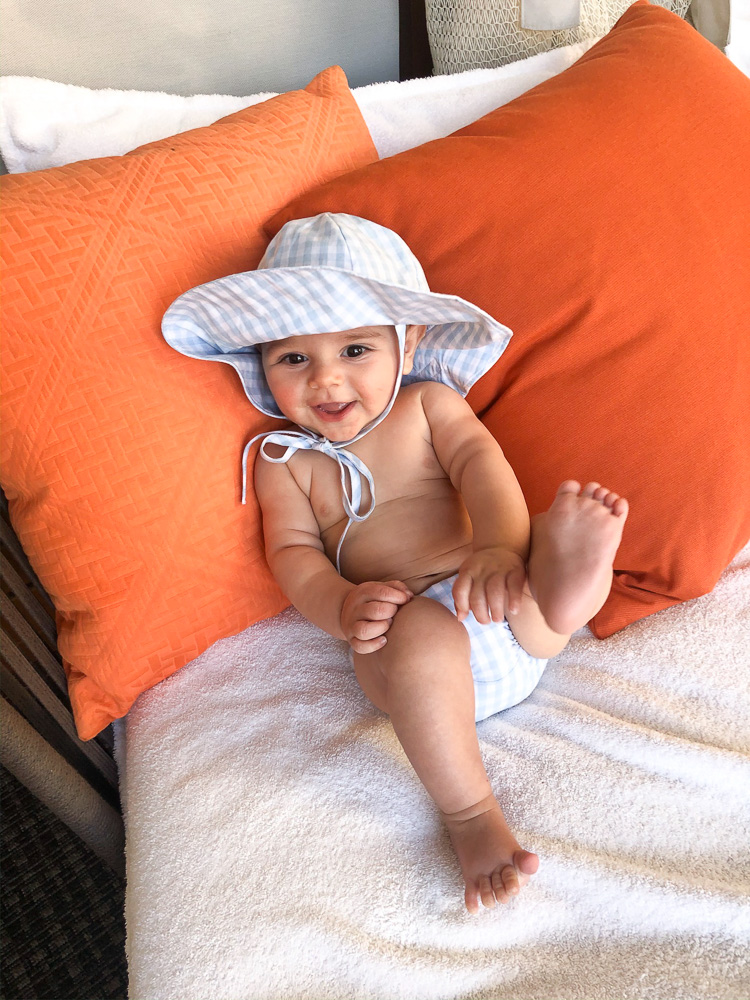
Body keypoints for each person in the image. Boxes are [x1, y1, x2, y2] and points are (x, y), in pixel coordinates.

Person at [162, 213, 628, 914]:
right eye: (294, 359)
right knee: (418, 634)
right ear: (261, 362)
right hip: (406, 648)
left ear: (406, 342)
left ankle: (565, 593)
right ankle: (471, 815)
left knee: (528, 551)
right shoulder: (284, 462)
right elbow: (292, 556)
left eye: (354, 349)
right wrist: (341, 607)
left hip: (491, 594)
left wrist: (501, 547)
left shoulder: (427, 406)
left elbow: (482, 468)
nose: (326, 379)